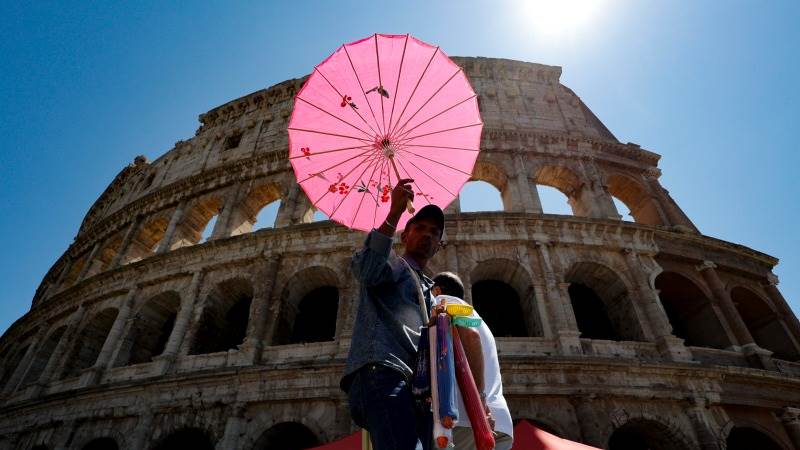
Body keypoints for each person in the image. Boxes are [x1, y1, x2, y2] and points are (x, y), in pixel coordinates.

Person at [341, 178, 445, 450]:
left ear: (439, 245)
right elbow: (368, 272)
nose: (427, 235)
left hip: (416, 385)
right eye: (419, 228)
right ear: (404, 235)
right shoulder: (394, 265)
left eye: (434, 233)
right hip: (383, 369)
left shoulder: (428, 288)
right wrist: (394, 212)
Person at [432, 272, 515, 450]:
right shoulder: (481, 321)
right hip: (500, 423)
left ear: (437, 290)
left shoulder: (443, 302)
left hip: (468, 418)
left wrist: (479, 403)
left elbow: (470, 337)